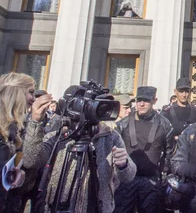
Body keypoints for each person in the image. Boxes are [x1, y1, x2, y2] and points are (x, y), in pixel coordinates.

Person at [21, 84, 137, 213]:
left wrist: (124, 165)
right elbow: (31, 161)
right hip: (58, 205)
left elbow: (129, 176)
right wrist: (35, 122)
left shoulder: (111, 136)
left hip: (97, 207)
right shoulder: (58, 136)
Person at [114, 86, 174, 213]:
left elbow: (170, 153)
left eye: (146, 101)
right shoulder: (123, 124)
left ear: (154, 101)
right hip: (126, 180)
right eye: (139, 100)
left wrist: (163, 174)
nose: (141, 104)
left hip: (151, 180)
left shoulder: (164, 125)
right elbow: (113, 148)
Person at [0, 73, 47, 212]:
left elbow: (31, 161)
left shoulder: (17, 128)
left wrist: (17, 174)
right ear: (15, 92)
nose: (33, 99)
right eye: (30, 92)